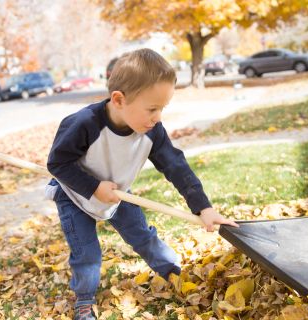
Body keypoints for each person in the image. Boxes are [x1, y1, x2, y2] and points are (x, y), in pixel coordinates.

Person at [46, 48, 238, 320]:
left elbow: (176, 166)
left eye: (162, 108)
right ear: (119, 99)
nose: (158, 116)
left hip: (119, 194)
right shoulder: (83, 124)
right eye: (152, 108)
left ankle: (172, 272)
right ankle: (84, 301)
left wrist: (203, 208)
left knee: (142, 234)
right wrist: (93, 187)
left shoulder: (152, 131)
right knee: (87, 253)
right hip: (75, 195)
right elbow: (57, 163)